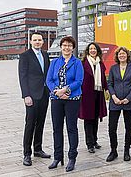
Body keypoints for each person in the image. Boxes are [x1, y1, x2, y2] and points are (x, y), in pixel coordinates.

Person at [46, 36, 84, 172]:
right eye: (64, 45)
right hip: (56, 98)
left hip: (72, 99)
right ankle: (57, 157)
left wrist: (66, 89)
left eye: (69, 45)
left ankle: (72, 157)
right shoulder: (54, 62)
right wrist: (57, 91)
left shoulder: (77, 63)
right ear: (61, 47)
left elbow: (79, 81)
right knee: (57, 128)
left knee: (71, 128)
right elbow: (49, 80)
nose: (66, 47)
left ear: (73, 48)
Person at [18, 32, 51, 166]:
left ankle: (38, 149)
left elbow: (48, 74)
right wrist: (26, 95)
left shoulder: (45, 55)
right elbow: (22, 76)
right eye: (35, 40)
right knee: (30, 124)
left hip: (44, 94)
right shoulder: (25, 56)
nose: (37, 42)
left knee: (41, 122)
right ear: (30, 42)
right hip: (31, 95)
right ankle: (27, 153)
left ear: (43, 42)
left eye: (39, 40)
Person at [106, 47, 131, 162]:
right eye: (120, 54)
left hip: (128, 102)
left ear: (127, 55)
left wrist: (128, 98)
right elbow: (109, 83)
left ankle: (126, 151)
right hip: (115, 102)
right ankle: (113, 151)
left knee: (129, 127)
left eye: (124, 54)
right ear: (117, 56)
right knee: (112, 128)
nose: (122, 56)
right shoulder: (113, 68)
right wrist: (113, 96)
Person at [78, 42, 108, 153]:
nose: (92, 50)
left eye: (94, 49)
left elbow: (103, 78)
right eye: (90, 49)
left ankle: (95, 141)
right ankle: (89, 144)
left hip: (98, 94)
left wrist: (107, 89)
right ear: (88, 51)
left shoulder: (100, 63)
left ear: (97, 50)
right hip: (86, 95)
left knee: (96, 118)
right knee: (88, 120)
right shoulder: (83, 63)